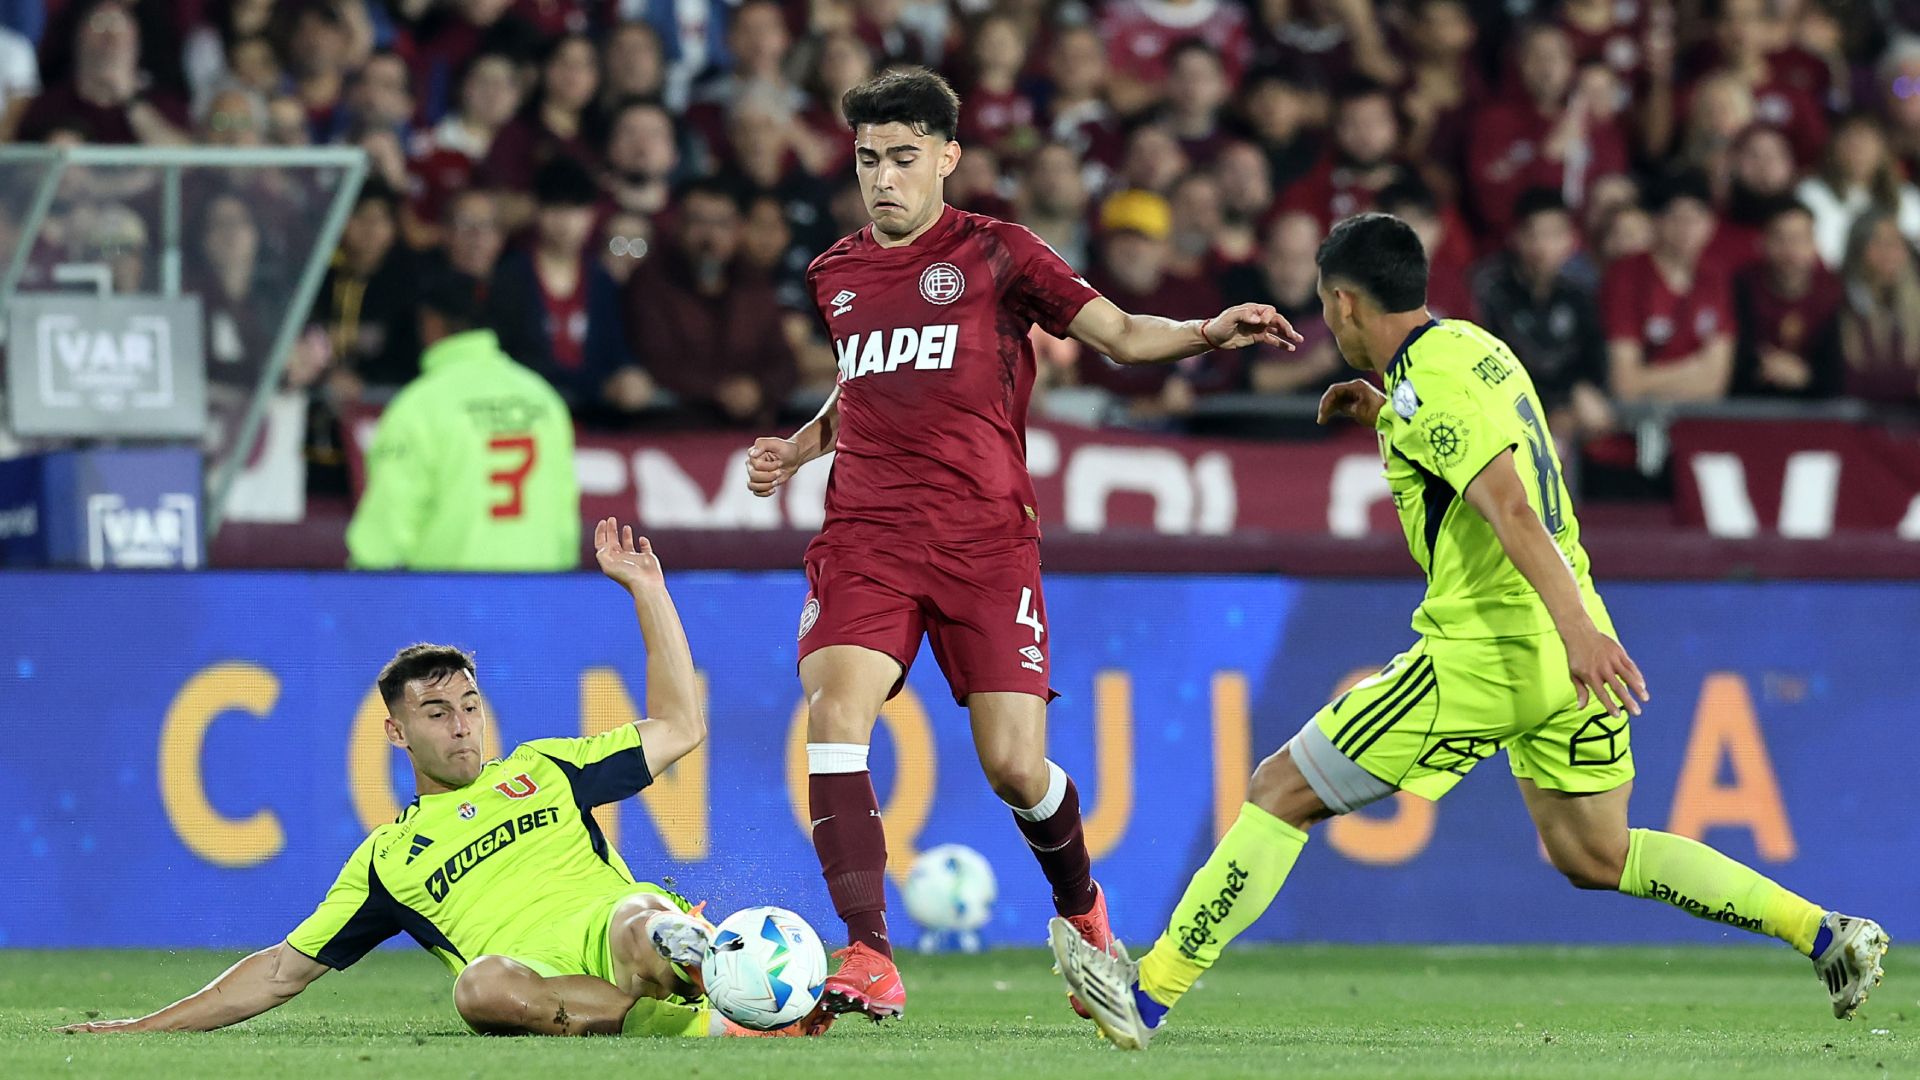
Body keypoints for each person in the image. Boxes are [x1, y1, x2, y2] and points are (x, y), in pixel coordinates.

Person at [1050, 211, 1892, 1050]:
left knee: (1280, 790)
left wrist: (1574, 634)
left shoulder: (1430, 386)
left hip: (1496, 647)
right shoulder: (1474, 349)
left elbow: (1510, 506)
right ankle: (1825, 934)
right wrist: (1384, 412)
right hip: (1571, 648)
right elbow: (1485, 451)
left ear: (1344, 304)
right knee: (1597, 854)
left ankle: (1148, 992)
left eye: (1324, 304)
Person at [742, 68, 1298, 1027]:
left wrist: (1209, 332)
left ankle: (1083, 910)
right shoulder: (834, 273)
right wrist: (801, 447)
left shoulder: (1000, 254)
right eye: (868, 159)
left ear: (947, 158)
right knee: (835, 714)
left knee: (1013, 766)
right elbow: (862, 384)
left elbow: (1120, 333)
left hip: (987, 545)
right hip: (866, 535)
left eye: (903, 158)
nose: (883, 178)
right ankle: (868, 950)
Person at [55, 521, 804, 1039]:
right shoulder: (386, 859)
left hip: (609, 936)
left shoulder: (544, 769)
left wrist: (647, 589)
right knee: (477, 990)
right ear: (396, 731)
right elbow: (280, 972)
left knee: (644, 917)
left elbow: (681, 727)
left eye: (469, 707)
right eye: (438, 711)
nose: (460, 725)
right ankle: (709, 1013)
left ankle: (734, 978)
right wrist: (141, 1026)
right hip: (539, 982)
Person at [345, 267, 579, 571]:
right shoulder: (542, 399)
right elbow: (564, 518)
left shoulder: (419, 406)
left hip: (448, 603)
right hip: (535, 599)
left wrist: (360, 590)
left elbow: (387, 524)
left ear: (431, 322)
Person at [1602, 173, 1736, 403]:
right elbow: (1624, 382)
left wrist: (1648, 378)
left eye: (1696, 219)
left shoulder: (1715, 278)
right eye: (1678, 218)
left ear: (1711, 224)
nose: (1687, 230)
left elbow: (1716, 383)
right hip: (1629, 421)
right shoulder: (1627, 276)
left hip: (1697, 421)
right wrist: (1693, 370)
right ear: (1657, 221)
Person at [1732, 199, 1844, 399]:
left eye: (1799, 239)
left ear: (1814, 245)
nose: (1789, 250)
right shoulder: (1741, 287)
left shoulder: (1834, 293)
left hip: (1818, 414)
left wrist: (1807, 376)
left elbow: (1841, 373)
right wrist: (1764, 367)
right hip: (1749, 407)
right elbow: (1732, 360)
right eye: (1780, 238)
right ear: (1763, 242)